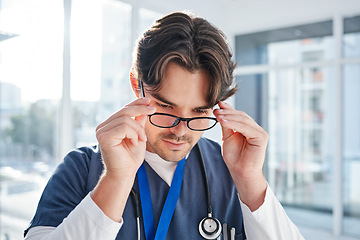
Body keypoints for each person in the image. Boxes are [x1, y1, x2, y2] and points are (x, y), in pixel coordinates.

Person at [24, 12, 305, 240]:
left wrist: (251, 180)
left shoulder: (231, 171)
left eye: (199, 111)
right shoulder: (81, 169)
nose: (181, 130)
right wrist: (115, 180)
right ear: (137, 85)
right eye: (166, 106)